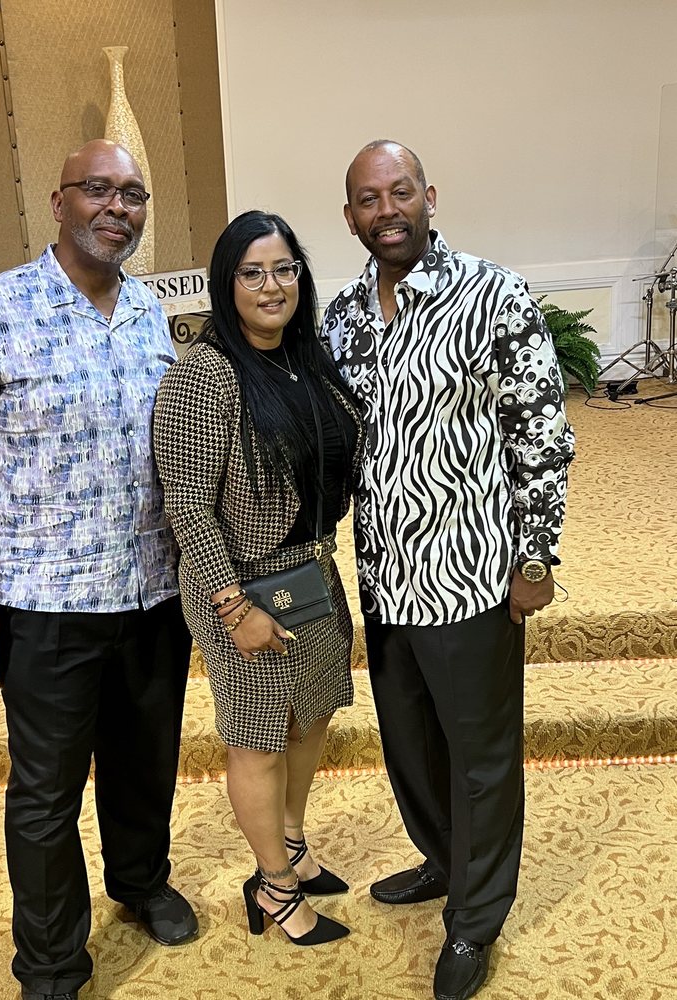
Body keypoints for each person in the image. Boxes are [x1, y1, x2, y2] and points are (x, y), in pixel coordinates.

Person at [0, 140, 197, 1000]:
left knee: (145, 762)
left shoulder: (152, 310)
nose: (118, 208)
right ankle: (51, 964)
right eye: (98, 190)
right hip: (45, 602)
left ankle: (140, 881)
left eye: (133, 195)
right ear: (59, 202)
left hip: (153, 591)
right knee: (46, 793)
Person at [320, 140, 575, 1000]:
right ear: (349, 216)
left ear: (430, 197)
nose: (386, 210)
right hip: (385, 577)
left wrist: (535, 554)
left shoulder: (491, 294)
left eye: (400, 192)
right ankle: (444, 858)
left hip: (471, 574)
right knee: (411, 746)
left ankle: (475, 920)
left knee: (480, 756)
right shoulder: (344, 317)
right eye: (368, 199)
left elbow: (541, 431)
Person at [153, 210, 363, 946]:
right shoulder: (204, 375)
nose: (272, 286)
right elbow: (186, 504)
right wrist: (233, 606)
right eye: (252, 273)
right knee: (259, 740)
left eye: (283, 269)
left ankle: (293, 844)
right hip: (242, 587)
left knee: (312, 714)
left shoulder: (308, 359)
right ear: (226, 283)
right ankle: (273, 884)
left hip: (312, 570)